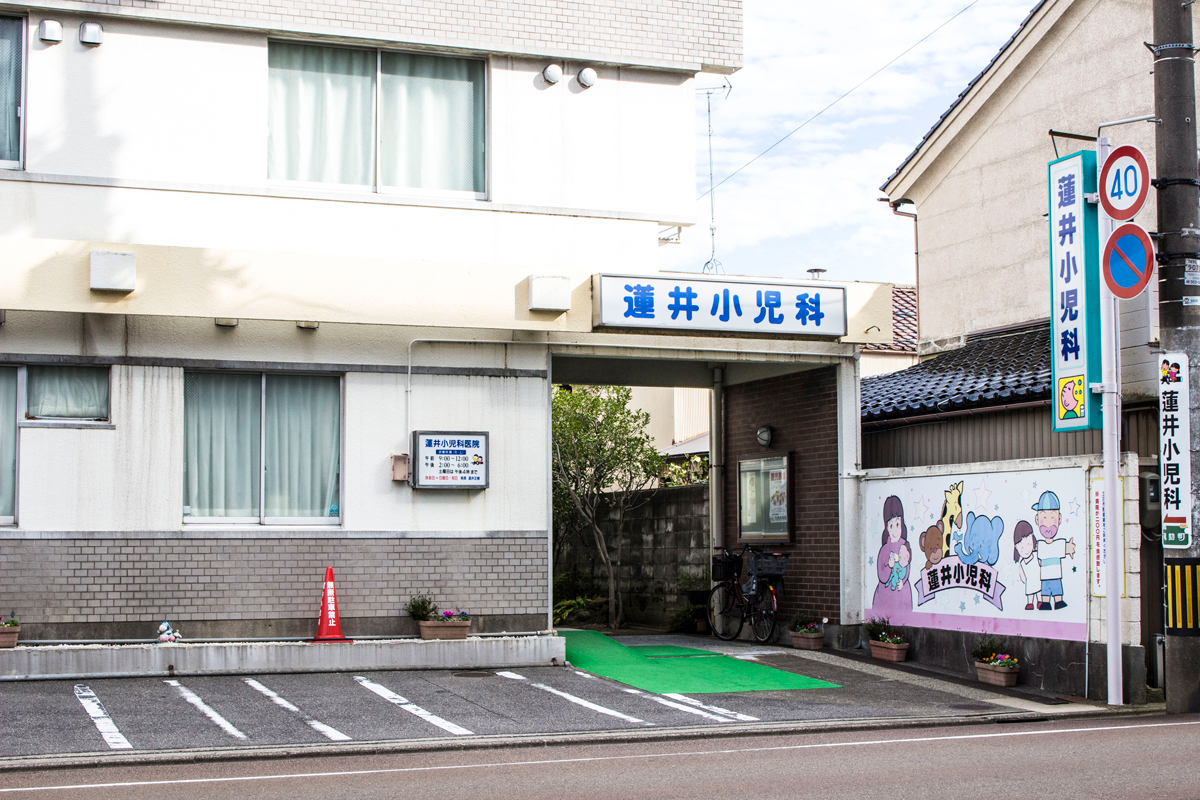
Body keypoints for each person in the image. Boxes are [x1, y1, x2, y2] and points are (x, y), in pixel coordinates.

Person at [1031, 491, 1075, 610]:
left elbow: (1066, 547)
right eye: (1044, 518)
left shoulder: (1058, 543)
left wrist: (1070, 548)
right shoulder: (1040, 544)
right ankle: (1045, 603)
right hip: (1044, 576)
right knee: (1045, 590)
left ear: (1059, 519)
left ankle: (1058, 601)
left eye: (1052, 518)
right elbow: (1034, 551)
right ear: (1037, 519)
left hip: (1056, 575)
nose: (1048, 524)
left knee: (1057, 589)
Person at [873, 495, 913, 614]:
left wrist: (903, 580)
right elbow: (882, 576)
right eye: (891, 525)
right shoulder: (884, 550)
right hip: (884, 595)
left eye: (897, 524)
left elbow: (907, 567)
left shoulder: (905, 545)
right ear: (886, 528)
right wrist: (889, 567)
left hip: (902, 592)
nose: (895, 530)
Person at [1013, 520, 1040, 611]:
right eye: (1021, 547)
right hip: (1030, 582)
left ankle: (1040, 601)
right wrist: (1026, 580)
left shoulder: (1036, 556)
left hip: (1038, 579)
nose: (1026, 550)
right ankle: (1030, 603)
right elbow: (1022, 577)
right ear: (1016, 548)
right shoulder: (1022, 564)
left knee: (1039, 590)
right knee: (1030, 593)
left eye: (1028, 544)